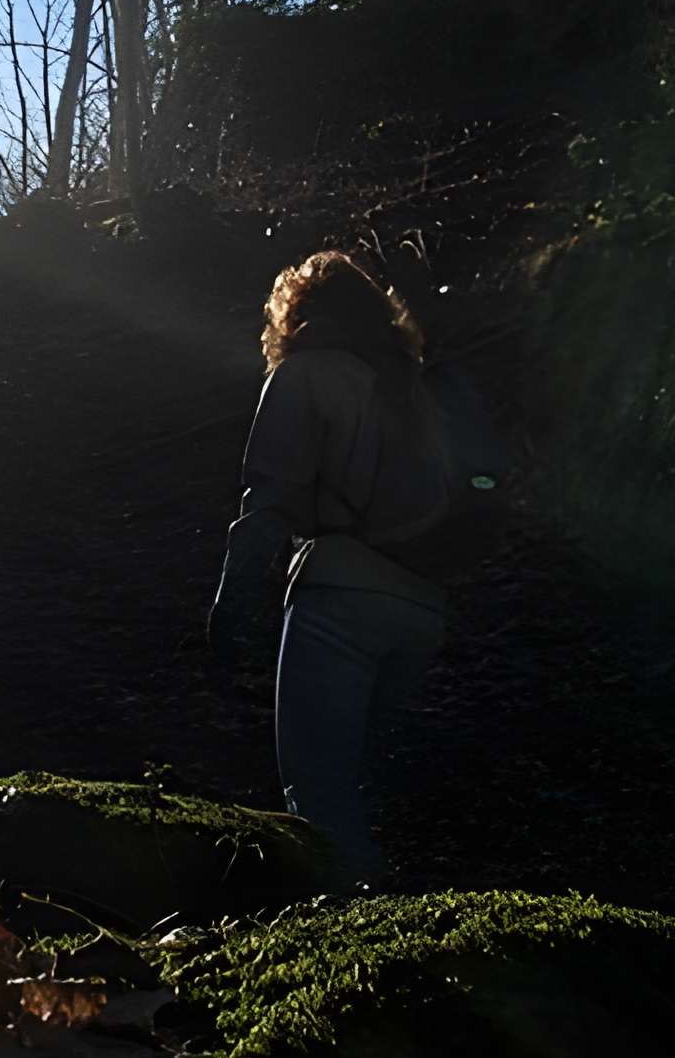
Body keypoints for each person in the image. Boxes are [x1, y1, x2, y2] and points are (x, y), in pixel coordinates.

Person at [206, 250, 489, 886]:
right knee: (373, 787)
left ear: (294, 314)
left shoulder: (307, 375)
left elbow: (269, 499)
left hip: (340, 594)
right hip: (421, 606)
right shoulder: (410, 385)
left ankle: (352, 943)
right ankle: (405, 928)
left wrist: (231, 604)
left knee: (319, 791)